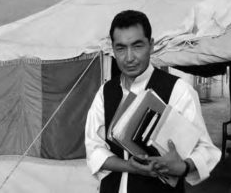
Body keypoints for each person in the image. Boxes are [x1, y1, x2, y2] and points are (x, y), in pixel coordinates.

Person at [85, 10, 221, 193]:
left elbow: (205, 149)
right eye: (121, 48)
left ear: (151, 45)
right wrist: (129, 166)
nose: (129, 57)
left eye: (137, 46)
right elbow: (94, 148)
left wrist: (183, 166)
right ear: (113, 50)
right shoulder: (105, 92)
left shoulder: (178, 90)